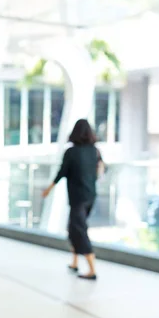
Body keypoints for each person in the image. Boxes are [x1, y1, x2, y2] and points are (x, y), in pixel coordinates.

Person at [42, 119, 103, 281]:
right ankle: (75, 262)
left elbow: (61, 172)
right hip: (90, 196)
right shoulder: (94, 151)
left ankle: (92, 269)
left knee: (79, 230)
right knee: (73, 229)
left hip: (77, 198)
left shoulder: (71, 152)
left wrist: (49, 188)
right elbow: (102, 168)